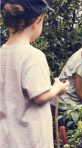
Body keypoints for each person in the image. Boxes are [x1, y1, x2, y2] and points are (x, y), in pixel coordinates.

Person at [0, 0, 69, 147]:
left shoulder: (2, 54)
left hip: (6, 140)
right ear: (38, 21)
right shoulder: (33, 56)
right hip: (30, 140)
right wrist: (57, 88)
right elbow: (40, 96)